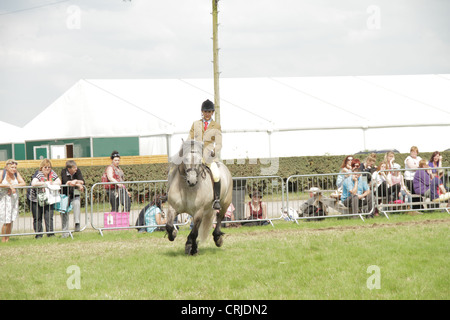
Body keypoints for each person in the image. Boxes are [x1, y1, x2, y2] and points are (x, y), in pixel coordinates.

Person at [189, 99, 223, 210]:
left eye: (209, 112)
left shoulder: (216, 126)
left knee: (216, 174)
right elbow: (190, 137)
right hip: (196, 155)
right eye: (205, 111)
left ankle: (217, 199)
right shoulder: (196, 124)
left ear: (212, 112)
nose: (207, 114)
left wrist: (214, 150)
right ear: (202, 112)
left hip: (209, 156)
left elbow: (219, 143)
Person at [27, 159, 61, 238]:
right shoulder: (38, 174)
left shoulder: (52, 173)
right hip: (34, 198)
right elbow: (34, 183)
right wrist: (45, 183)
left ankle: (50, 234)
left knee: (49, 216)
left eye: (49, 167)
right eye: (45, 167)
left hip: (48, 198)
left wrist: (52, 182)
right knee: (37, 217)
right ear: (41, 167)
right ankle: (39, 235)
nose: (47, 169)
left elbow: (59, 181)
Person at [0, 160, 26, 242]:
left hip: (13, 199)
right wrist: (8, 186)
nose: (14, 169)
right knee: (6, 220)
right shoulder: (2, 173)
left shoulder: (16, 174)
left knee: (11, 219)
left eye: (15, 167)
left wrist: (14, 185)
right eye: (12, 167)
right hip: (4, 199)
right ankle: (3, 239)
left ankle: (7, 238)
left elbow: (23, 183)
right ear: (7, 167)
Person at [60, 160, 85, 236]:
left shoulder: (78, 171)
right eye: (74, 168)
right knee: (64, 212)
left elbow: (82, 181)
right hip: (65, 195)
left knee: (77, 203)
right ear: (69, 169)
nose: (76, 169)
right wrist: (78, 184)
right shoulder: (63, 171)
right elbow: (66, 182)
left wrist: (75, 181)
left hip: (75, 194)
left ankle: (77, 223)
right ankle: (65, 232)